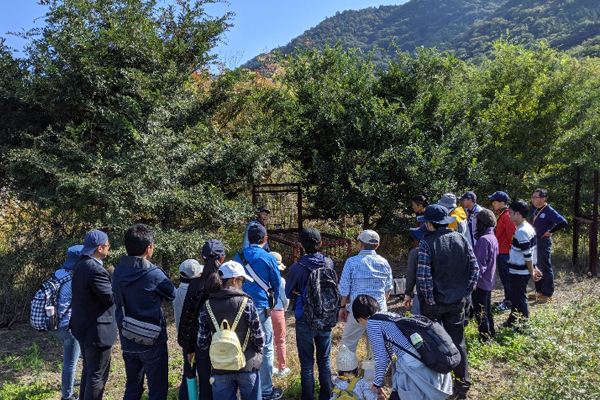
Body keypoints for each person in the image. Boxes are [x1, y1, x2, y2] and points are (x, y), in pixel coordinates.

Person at [416, 205, 479, 399]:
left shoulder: (427, 243)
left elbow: (424, 277)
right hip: (457, 301)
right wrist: (465, 293)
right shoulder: (461, 239)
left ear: (430, 224)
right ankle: (462, 387)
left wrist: (430, 300)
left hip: (434, 302)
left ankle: (436, 385)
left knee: (432, 343)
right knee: (458, 342)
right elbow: (475, 270)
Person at [112, 224, 176, 400]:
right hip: (152, 339)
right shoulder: (153, 274)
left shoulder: (117, 272)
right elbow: (172, 293)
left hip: (128, 337)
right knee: (157, 390)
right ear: (149, 248)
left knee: (132, 387)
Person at [352, 295, 453, 400]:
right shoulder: (389, 316)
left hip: (412, 364)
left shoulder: (372, 323)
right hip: (423, 356)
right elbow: (388, 356)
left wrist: (376, 385)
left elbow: (381, 359)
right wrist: (378, 383)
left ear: (360, 318)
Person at [197, 261, 264, 400]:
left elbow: (202, 341)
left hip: (220, 367)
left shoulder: (207, 305)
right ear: (234, 280)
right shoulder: (247, 303)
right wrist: (258, 353)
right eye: (243, 281)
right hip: (247, 363)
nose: (243, 285)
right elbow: (259, 337)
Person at [286, 228, 336, 400]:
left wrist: (299, 292)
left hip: (304, 318)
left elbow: (288, 293)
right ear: (321, 244)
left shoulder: (296, 268)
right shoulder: (329, 263)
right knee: (325, 361)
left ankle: (307, 397)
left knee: (307, 364)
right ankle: (325, 396)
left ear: (301, 245)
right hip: (325, 316)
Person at [235, 223, 282, 400]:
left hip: (241, 305)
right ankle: (267, 389)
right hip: (262, 306)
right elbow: (276, 283)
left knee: (243, 345)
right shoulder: (269, 258)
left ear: (248, 238)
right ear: (265, 239)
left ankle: (245, 389)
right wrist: (274, 300)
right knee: (266, 347)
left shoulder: (239, 257)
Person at [71, 230, 117, 400]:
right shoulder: (94, 269)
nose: (108, 248)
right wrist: (114, 277)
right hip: (97, 331)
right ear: (99, 248)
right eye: (107, 246)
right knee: (97, 375)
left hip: (84, 327)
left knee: (89, 371)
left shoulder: (81, 263)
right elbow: (110, 298)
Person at [178, 240, 226, 400]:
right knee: (225, 385)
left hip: (201, 345)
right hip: (226, 343)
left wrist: (189, 348)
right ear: (223, 258)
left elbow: (188, 317)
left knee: (206, 385)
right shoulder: (228, 283)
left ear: (202, 257)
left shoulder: (195, 284)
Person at [338, 229, 393, 354]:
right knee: (376, 346)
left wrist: (342, 306)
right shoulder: (384, 262)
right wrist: (383, 306)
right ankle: (372, 373)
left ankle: (347, 371)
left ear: (361, 244)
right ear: (377, 245)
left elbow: (344, 287)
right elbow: (388, 289)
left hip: (357, 309)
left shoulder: (351, 262)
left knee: (348, 343)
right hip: (379, 309)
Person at [505, 200, 543, 329]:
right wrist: (534, 267)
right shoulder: (527, 227)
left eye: (510, 213)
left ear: (518, 214)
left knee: (519, 298)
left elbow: (527, 254)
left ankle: (523, 326)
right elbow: (532, 251)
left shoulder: (522, 231)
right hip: (520, 270)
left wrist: (532, 271)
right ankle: (512, 321)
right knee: (516, 297)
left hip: (519, 271)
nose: (509, 215)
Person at [52, 245, 83, 400]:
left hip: (53, 322)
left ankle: (72, 382)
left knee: (78, 354)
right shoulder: (74, 280)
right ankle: (67, 395)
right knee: (70, 362)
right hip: (67, 326)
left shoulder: (59, 273)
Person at [530, 188, 568, 303]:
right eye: (532, 197)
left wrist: (551, 231)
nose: (533, 199)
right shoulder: (536, 209)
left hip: (543, 241)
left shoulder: (549, 210)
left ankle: (548, 294)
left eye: (536, 197)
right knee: (536, 266)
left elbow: (563, 222)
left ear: (543, 199)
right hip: (535, 241)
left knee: (545, 266)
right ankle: (540, 291)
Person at [173, 259, 203, 400]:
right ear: (196, 276)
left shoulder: (176, 292)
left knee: (188, 370)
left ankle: (185, 396)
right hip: (195, 339)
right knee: (199, 370)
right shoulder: (194, 294)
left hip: (183, 338)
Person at [472, 209, 499, 340]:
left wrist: (474, 282)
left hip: (481, 283)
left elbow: (479, 264)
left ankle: (484, 339)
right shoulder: (492, 237)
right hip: (489, 281)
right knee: (487, 312)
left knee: (481, 313)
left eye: (476, 221)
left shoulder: (483, 239)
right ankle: (491, 334)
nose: (475, 224)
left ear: (481, 223)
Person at [488, 191, 516, 312]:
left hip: (505, 252)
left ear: (502, 203)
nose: (493, 203)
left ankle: (510, 303)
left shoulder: (507, 215)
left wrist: (511, 251)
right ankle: (508, 300)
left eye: (495, 201)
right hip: (501, 251)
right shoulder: (501, 214)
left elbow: (512, 234)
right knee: (505, 278)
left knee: (507, 279)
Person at [270, 252, 290, 377]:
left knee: (267, 342)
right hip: (278, 311)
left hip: (264, 311)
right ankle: (281, 369)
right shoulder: (281, 280)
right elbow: (285, 299)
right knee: (280, 341)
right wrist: (285, 308)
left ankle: (269, 368)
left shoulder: (262, 278)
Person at [403, 225, 427, 315]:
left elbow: (410, 275)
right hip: (444, 296)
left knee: (420, 324)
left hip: (421, 294)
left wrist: (408, 295)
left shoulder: (415, 252)